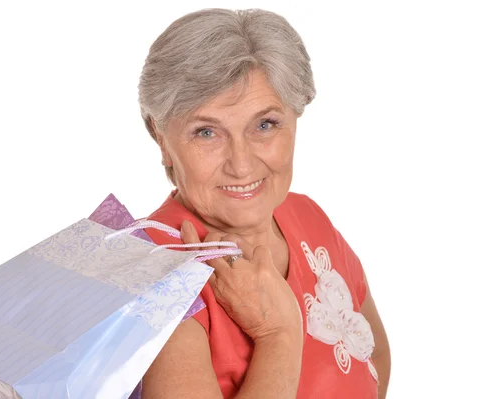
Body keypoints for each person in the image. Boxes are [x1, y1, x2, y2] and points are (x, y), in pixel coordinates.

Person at [137, 8, 391, 399]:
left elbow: (375, 361)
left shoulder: (307, 216)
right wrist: (279, 335)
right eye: (206, 132)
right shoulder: (155, 273)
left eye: (265, 125)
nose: (241, 165)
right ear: (160, 137)